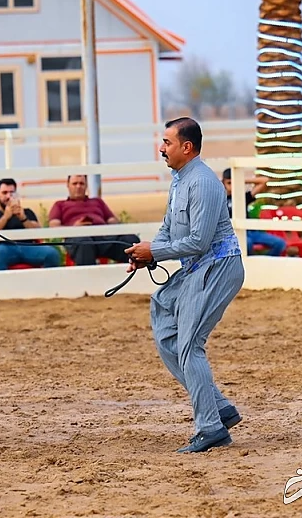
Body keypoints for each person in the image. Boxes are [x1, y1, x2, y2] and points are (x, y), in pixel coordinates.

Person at [124, 117, 244, 453]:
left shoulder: (203, 182)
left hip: (216, 267)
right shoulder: (180, 180)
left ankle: (211, 428)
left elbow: (199, 241)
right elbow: (168, 229)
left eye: (167, 142)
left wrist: (156, 250)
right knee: (164, 320)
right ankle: (219, 407)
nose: (161, 148)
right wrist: (148, 254)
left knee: (190, 344)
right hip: (197, 268)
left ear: (186, 147)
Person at [48, 175, 139, 265]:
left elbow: (112, 220)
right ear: (68, 185)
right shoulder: (60, 205)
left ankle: (135, 274)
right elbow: (54, 225)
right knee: (84, 242)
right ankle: (88, 278)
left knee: (130, 239)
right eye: (75, 183)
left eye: (81, 183)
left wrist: (116, 228)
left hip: (104, 236)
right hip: (79, 237)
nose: (78, 186)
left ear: (86, 185)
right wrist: (74, 227)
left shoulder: (97, 201)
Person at [0, 178, 60, 270]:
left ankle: (46, 283)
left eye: (12, 193)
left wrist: (23, 218)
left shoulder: (27, 212)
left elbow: (37, 232)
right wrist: (5, 217)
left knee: (52, 253)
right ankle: (3, 283)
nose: (8, 196)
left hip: (29, 247)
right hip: (4, 248)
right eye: (4, 193)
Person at [222, 168, 287, 256]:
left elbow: (264, 181)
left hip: (252, 232)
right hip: (235, 233)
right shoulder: (221, 199)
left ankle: (264, 263)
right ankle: (251, 265)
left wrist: (242, 180)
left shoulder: (244, 196)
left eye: (234, 182)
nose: (232, 185)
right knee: (247, 244)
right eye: (229, 183)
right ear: (224, 183)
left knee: (280, 243)